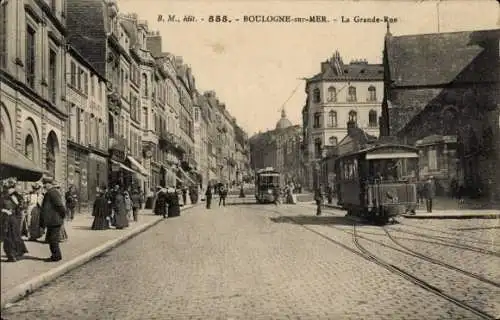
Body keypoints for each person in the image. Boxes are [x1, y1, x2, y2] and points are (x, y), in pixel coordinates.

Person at [0, 178, 29, 262]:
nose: (11, 190)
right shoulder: (3, 196)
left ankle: (16, 253)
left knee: (14, 235)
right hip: (6, 218)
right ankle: (11, 255)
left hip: (14, 218)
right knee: (8, 236)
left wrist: (19, 207)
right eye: (10, 188)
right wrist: (4, 210)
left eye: (12, 188)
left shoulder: (16, 195)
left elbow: (22, 206)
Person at [39, 177, 66, 262]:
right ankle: (55, 255)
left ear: (49, 184)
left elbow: (60, 206)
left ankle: (56, 256)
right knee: (51, 239)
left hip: (55, 220)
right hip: (52, 220)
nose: (44, 186)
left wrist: (62, 216)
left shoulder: (53, 192)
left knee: (53, 240)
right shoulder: (50, 192)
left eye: (45, 184)